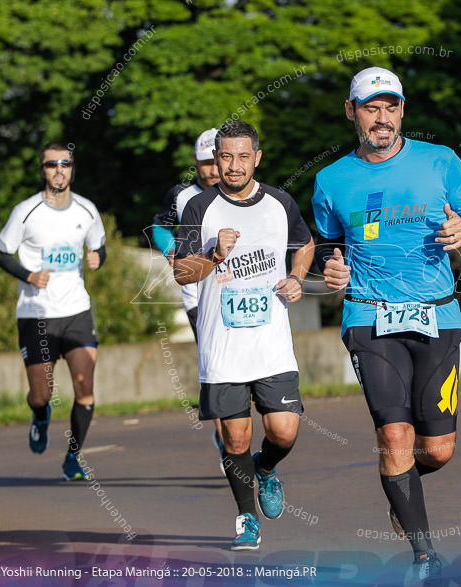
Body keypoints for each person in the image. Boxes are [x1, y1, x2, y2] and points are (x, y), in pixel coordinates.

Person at [311, 67, 461, 581]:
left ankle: (402, 488)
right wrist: (331, 264)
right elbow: (327, 242)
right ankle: (425, 554)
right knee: (394, 437)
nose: (381, 117)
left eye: (390, 107)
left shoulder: (440, 161)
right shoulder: (331, 179)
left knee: (437, 449)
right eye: (371, 107)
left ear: (402, 110)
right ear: (352, 112)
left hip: (438, 311)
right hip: (369, 314)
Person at [174, 120, 314, 550]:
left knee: (284, 431)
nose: (234, 166)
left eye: (242, 156)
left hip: (271, 344)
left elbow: (305, 244)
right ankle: (246, 517)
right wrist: (214, 254)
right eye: (226, 157)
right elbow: (181, 270)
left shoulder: (280, 202)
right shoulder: (199, 208)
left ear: (257, 157)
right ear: (216, 160)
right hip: (223, 346)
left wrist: (296, 276)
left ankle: (266, 469)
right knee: (235, 437)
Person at [0, 141, 107, 481]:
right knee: (42, 394)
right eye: (51, 164)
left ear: (72, 169)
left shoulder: (87, 210)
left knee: (85, 384)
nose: (59, 169)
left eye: (65, 163)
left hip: (76, 310)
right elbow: (1, 253)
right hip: (36, 313)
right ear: (42, 170)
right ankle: (40, 415)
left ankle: (73, 456)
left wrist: (98, 258)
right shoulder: (26, 211)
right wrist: (28, 275)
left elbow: (100, 246)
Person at [151, 128, 228, 457]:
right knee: (217, 367)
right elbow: (159, 226)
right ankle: (228, 444)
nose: (212, 170)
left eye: (216, 161)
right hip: (198, 295)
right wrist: (170, 250)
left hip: (239, 292)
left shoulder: (244, 193)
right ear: (195, 164)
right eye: (204, 163)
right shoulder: (181, 196)